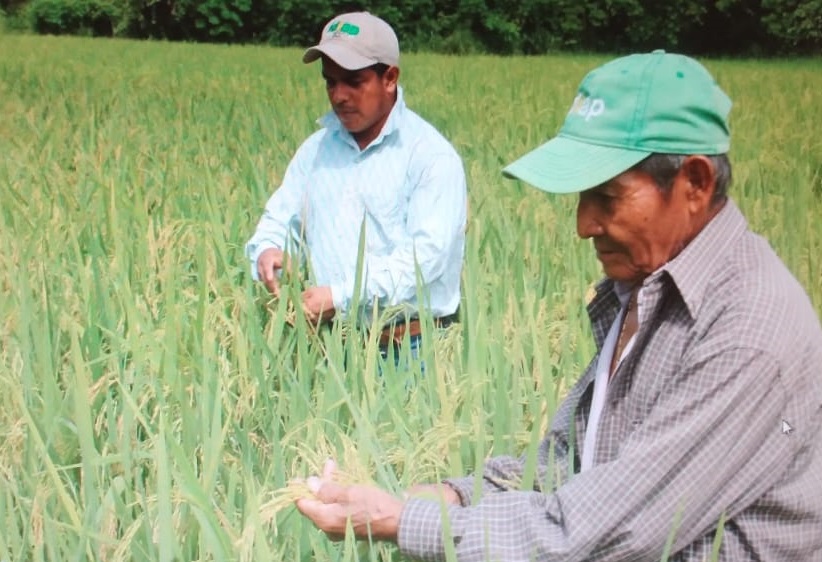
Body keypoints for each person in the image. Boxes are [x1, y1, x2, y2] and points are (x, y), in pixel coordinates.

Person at [294, 51, 822, 560]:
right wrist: (447, 496)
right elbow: (571, 460)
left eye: (608, 198)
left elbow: (603, 530)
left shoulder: (747, 333)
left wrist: (400, 522)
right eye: (581, 197)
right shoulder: (647, 287)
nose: (583, 225)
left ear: (695, 184)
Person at [245, 12, 467, 355]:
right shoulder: (315, 152)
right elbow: (280, 220)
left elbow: (424, 261)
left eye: (353, 81)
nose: (339, 96)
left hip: (410, 350)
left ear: (389, 78)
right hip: (331, 345)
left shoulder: (430, 157)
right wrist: (271, 251)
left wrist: (340, 296)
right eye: (330, 82)